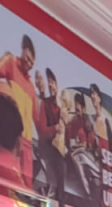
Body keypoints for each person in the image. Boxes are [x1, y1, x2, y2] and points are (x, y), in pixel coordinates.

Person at [0, 35, 36, 188]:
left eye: (32, 62)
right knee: (7, 181)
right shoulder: (10, 62)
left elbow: (34, 117)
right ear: (22, 51)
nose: (29, 64)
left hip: (27, 144)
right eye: (28, 58)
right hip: (12, 139)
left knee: (26, 187)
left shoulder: (31, 87)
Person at [33, 68, 64, 198]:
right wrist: (55, 128)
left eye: (52, 82)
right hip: (45, 146)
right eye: (48, 82)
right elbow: (42, 131)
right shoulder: (45, 104)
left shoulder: (60, 107)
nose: (50, 85)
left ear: (57, 85)